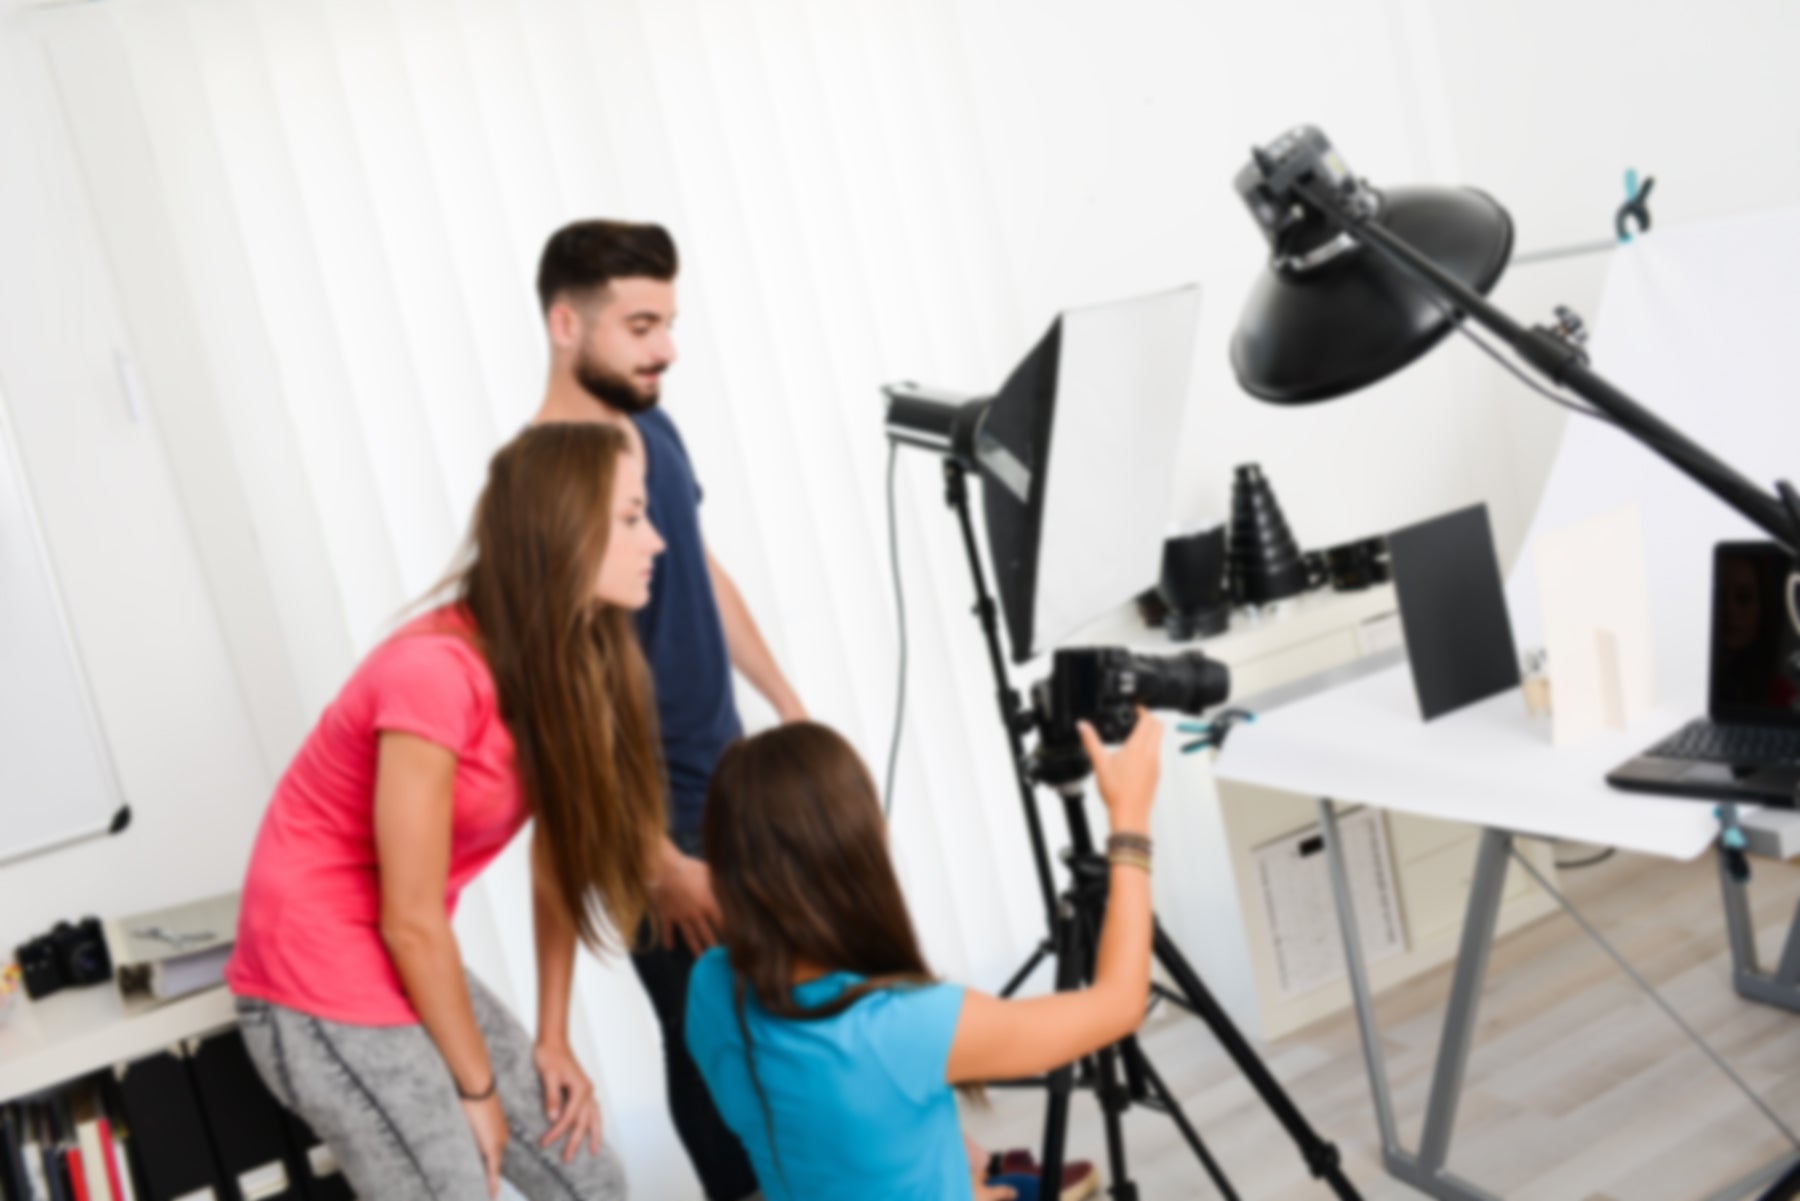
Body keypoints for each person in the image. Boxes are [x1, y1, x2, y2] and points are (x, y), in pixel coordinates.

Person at [225, 423, 665, 1200]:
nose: (654, 540)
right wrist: (477, 1090)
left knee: (589, 1177)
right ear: (566, 531)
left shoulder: (569, 663)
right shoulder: (433, 674)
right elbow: (411, 918)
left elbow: (558, 857)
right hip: (315, 970)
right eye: (632, 517)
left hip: (402, 948)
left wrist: (553, 1038)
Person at [530, 219, 804, 1201]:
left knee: (779, 1037)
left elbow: (700, 567)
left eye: (670, 321)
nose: (666, 348)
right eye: (641, 324)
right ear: (568, 323)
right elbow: (563, 720)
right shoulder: (551, 485)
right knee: (711, 1056)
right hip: (657, 822)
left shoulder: (651, 424)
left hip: (728, 783)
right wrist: (655, 858)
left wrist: (787, 701)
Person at [684, 713, 1162, 1200]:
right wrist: (1129, 822)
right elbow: (1120, 1004)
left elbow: (831, 1148)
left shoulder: (711, 987)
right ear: (852, 851)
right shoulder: (900, 1025)